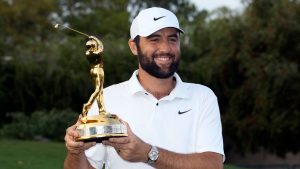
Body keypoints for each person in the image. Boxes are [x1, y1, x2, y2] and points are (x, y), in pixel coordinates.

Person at [64, 7, 225, 169]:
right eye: (154, 39)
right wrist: (76, 152)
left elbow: (213, 164)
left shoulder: (202, 97)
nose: (166, 48)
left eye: (172, 39)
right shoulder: (107, 98)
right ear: (134, 46)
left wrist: (147, 153)